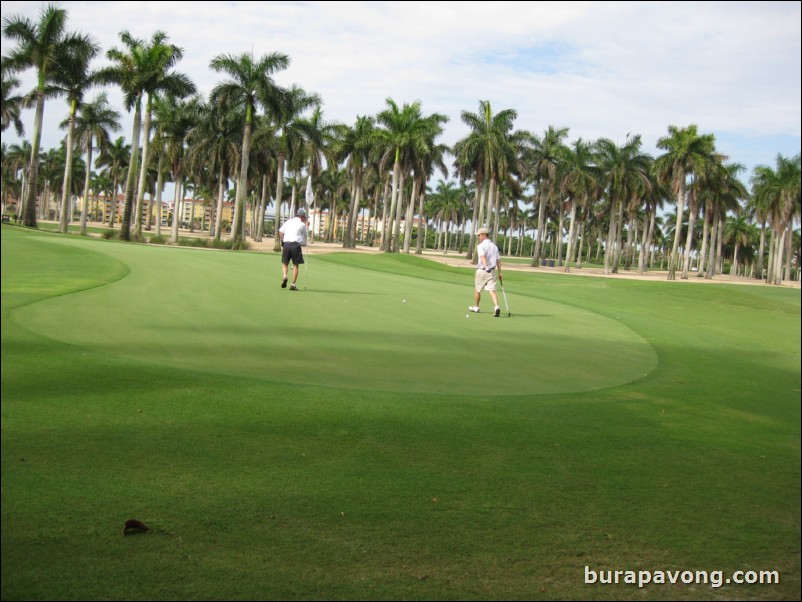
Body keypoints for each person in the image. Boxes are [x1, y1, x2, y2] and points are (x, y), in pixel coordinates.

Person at [468, 227, 503, 317]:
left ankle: (476, 307)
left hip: (483, 270)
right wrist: (500, 272)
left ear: (484, 235)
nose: (478, 237)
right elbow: (498, 261)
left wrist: (486, 266)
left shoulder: (481, 246)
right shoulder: (494, 247)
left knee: (477, 289)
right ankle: (496, 306)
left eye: (479, 235)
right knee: (492, 290)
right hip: (492, 272)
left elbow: (482, 257)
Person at [279, 208, 309, 291]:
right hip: (295, 245)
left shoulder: (288, 221)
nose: (305, 218)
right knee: (296, 265)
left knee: (285, 263)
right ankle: (293, 284)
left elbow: (280, 232)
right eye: (305, 217)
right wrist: (307, 226)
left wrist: (282, 241)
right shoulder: (302, 224)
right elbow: (306, 233)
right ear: (301, 216)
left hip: (286, 244)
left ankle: (285, 275)